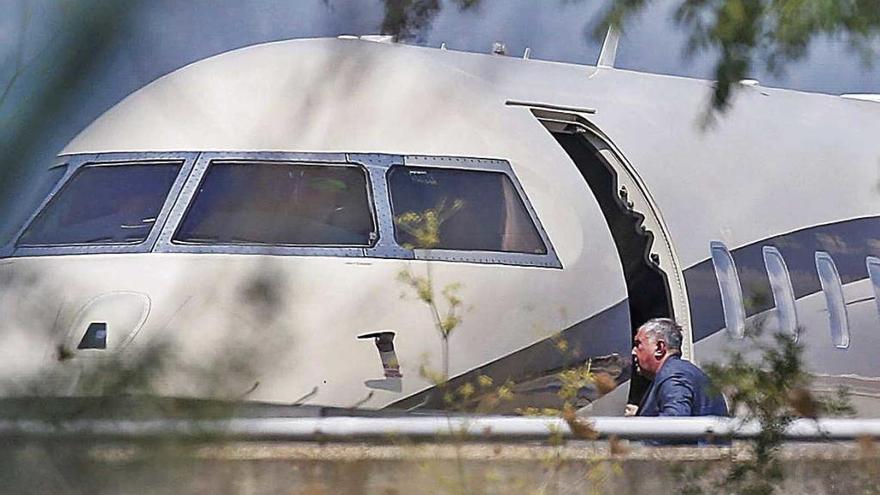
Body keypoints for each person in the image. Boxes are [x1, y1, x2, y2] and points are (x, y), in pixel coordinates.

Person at [631, 318, 728, 417]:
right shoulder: (680, 371)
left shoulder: (674, 376)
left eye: (638, 344)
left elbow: (675, 421)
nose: (633, 352)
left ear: (659, 348)